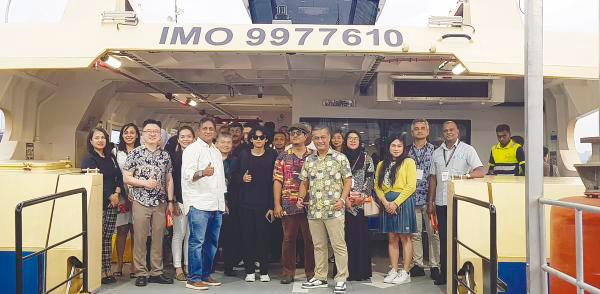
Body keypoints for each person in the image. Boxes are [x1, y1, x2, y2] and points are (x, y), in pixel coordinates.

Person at [429, 121, 485, 285]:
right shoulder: (437, 152)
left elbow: (481, 171)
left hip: (460, 202)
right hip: (441, 202)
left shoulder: (467, 150)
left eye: (451, 130)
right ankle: (445, 274)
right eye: (445, 130)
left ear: (458, 132)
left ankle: (461, 274)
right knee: (444, 239)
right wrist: (430, 201)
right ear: (442, 134)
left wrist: (466, 176)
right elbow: (433, 178)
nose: (448, 133)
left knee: (460, 239)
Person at [297, 125, 352, 294]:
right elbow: (304, 182)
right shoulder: (309, 160)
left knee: (338, 245)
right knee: (319, 245)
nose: (320, 141)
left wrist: (342, 199)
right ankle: (320, 277)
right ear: (312, 140)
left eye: (323, 137)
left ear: (329, 138)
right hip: (314, 210)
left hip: (334, 209)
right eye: (316, 138)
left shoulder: (340, 158)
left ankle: (341, 278)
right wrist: (300, 197)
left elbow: (348, 180)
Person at [122, 119, 175, 287]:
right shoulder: (135, 153)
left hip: (160, 202)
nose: (152, 134)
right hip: (140, 201)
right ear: (143, 135)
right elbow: (126, 177)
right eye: (148, 131)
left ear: (160, 135)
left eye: (156, 131)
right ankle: (141, 272)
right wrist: (145, 183)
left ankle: (156, 271)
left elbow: (169, 179)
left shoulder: (165, 155)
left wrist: (170, 200)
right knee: (140, 238)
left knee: (159, 237)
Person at [181, 117, 227, 290]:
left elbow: (220, 179)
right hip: (198, 203)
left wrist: (223, 202)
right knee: (197, 242)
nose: (208, 131)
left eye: (211, 129)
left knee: (212, 242)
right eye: (205, 128)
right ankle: (193, 278)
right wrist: (203, 172)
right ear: (199, 130)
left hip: (216, 204)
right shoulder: (192, 149)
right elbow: (188, 174)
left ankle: (205, 275)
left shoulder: (215, 151)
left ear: (214, 131)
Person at [273, 123, 316, 285]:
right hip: (288, 204)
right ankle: (288, 271)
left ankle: (311, 272)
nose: (295, 136)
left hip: (310, 204)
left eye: (299, 133)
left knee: (311, 240)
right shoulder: (283, 156)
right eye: (292, 133)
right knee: (288, 239)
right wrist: (277, 204)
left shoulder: (314, 155)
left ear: (306, 137)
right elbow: (277, 181)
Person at [82, 127, 125, 285]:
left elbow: (119, 176)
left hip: (113, 201)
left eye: (103, 137)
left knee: (107, 237)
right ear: (91, 141)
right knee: (98, 237)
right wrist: (110, 195)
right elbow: (94, 179)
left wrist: (118, 191)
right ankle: (97, 271)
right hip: (98, 203)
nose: (100, 140)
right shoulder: (89, 158)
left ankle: (107, 270)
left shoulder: (110, 156)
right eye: (97, 138)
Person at [374, 133, 417, 285]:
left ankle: (405, 272)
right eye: (393, 145)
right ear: (389, 147)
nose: (396, 148)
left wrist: (396, 203)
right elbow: (377, 187)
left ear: (404, 147)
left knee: (405, 238)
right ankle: (393, 269)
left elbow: (411, 186)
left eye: (399, 145)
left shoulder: (408, 162)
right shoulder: (381, 164)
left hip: (403, 202)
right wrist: (385, 203)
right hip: (387, 203)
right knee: (392, 238)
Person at [238, 126, 278, 282]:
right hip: (246, 203)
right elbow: (233, 176)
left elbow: (274, 181)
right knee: (247, 237)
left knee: (264, 238)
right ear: (251, 139)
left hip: (264, 204)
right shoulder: (243, 155)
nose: (258, 140)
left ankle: (264, 271)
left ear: (266, 139)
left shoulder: (272, 155)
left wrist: (272, 206)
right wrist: (242, 178)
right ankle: (249, 271)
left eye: (262, 137)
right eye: (255, 137)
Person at [407, 119, 440, 280]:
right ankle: (418, 264)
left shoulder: (436, 151)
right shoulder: (406, 152)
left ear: (428, 132)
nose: (419, 131)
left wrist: (432, 200)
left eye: (422, 128)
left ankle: (435, 265)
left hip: (430, 200)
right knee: (415, 234)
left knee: (434, 233)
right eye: (416, 129)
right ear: (412, 132)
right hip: (412, 200)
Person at [342, 130, 375, 281]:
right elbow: (336, 180)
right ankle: (345, 272)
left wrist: (361, 196)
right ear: (345, 141)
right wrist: (345, 199)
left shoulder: (367, 158)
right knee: (344, 239)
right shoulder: (339, 158)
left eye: (356, 138)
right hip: (343, 204)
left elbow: (370, 179)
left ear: (360, 141)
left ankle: (361, 271)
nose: (353, 141)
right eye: (350, 138)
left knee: (361, 238)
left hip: (360, 205)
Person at [112, 123, 140, 279]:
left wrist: (135, 192)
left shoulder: (142, 151)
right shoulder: (116, 152)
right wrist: (123, 193)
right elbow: (116, 175)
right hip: (122, 195)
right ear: (122, 135)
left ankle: (135, 265)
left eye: (132, 132)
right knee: (122, 230)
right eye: (126, 132)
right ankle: (120, 263)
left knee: (136, 231)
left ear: (137, 135)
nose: (129, 135)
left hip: (138, 196)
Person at [169, 126, 196, 281]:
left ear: (193, 138)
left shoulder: (197, 156)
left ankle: (187, 265)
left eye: (188, 136)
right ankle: (178, 267)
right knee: (178, 234)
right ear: (178, 139)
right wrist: (172, 200)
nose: (186, 139)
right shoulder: (173, 157)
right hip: (179, 200)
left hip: (194, 201)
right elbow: (171, 180)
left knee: (191, 236)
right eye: (182, 136)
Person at [217, 133, 243, 276]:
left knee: (229, 235)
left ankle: (229, 265)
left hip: (231, 201)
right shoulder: (211, 160)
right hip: (213, 201)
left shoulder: (235, 160)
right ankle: (211, 263)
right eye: (223, 142)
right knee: (213, 234)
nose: (226, 144)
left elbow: (236, 180)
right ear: (216, 143)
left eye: (228, 142)